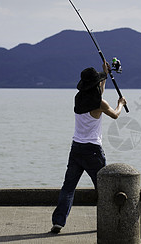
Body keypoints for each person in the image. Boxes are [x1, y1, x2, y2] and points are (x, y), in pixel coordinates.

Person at [51, 61, 127, 234]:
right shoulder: (100, 103)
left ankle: (58, 222)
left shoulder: (79, 99)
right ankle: (109, 221)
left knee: (68, 188)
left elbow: (97, 92)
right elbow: (115, 115)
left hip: (76, 148)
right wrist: (121, 103)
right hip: (93, 150)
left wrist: (104, 74)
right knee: (104, 187)